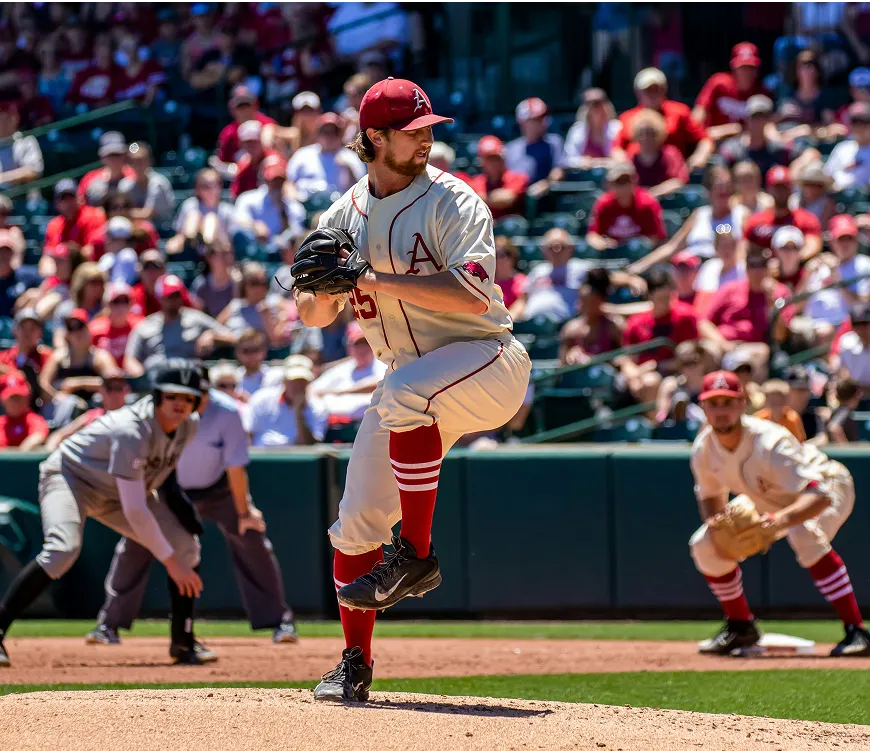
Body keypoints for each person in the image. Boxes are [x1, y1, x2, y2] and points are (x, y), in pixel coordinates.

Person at [297, 77, 531, 701]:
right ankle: (354, 663)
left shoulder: (454, 202)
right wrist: (318, 289)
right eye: (415, 130)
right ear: (373, 138)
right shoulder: (343, 214)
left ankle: (417, 555)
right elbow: (316, 317)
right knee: (353, 527)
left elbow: (474, 291)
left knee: (403, 393)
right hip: (410, 383)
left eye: (430, 128)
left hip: (486, 360)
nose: (428, 137)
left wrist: (369, 276)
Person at [0, 361, 215, 668]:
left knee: (186, 547)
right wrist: (171, 564)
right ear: (156, 396)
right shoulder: (131, 429)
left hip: (117, 490)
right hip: (71, 477)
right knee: (62, 550)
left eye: (187, 397)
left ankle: (183, 640)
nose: (180, 403)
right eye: (171, 396)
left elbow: (161, 470)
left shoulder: (189, 425)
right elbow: (136, 509)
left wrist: (179, 510)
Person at [85, 365, 298, 647]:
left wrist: (245, 511)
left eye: (199, 393)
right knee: (135, 542)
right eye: (186, 394)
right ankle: (108, 624)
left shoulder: (226, 412)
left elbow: (236, 468)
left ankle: (279, 621)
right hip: (168, 490)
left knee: (252, 536)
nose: (192, 400)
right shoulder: (162, 412)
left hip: (217, 489)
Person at [688, 370, 869, 656]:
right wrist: (719, 526)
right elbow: (711, 498)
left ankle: (857, 631)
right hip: (766, 499)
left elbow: (819, 496)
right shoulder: (704, 448)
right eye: (713, 403)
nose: (720, 410)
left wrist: (777, 523)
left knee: (802, 532)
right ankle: (740, 626)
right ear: (703, 407)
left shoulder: (770, 441)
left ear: (742, 403)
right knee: (704, 545)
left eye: (728, 402)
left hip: (828, 485)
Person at [123, 275, 237, 376]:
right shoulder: (145, 325)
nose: (173, 300)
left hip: (188, 378)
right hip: (155, 379)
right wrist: (141, 376)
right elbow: (130, 358)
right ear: (159, 298)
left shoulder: (196, 319)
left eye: (177, 295)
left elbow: (233, 337)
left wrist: (212, 335)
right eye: (169, 297)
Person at [617, 67, 713, 171]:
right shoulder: (627, 118)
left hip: (674, 174)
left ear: (664, 90)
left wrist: (699, 157)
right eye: (648, 90)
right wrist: (624, 166)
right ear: (638, 93)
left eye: (656, 89)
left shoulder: (680, 111)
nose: (652, 94)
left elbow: (704, 139)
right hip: (637, 177)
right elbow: (617, 149)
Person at [705, 248, 792, 345]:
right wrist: (723, 344)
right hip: (722, 343)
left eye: (762, 265)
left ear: (770, 268)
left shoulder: (780, 293)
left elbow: (780, 336)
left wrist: (771, 303)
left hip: (756, 348)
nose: (758, 271)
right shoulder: (730, 289)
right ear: (746, 268)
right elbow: (704, 323)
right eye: (753, 265)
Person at [800, 214, 870, 333]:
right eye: (841, 239)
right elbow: (797, 306)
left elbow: (862, 304)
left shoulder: (864, 265)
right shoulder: (820, 265)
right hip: (810, 323)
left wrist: (836, 277)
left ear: (857, 241)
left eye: (850, 238)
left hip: (846, 327)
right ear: (831, 241)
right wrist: (807, 276)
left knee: (825, 332)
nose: (845, 244)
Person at [309, 323, 388, 423]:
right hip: (333, 426)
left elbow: (380, 384)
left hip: (372, 424)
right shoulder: (342, 369)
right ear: (349, 347)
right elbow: (313, 390)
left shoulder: (384, 365)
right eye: (357, 345)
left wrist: (339, 392)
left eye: (366, 344)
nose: (362, 349)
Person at [39, 308, 117, 406]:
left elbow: (115, 383)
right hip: (65, 409)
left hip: (94, 410)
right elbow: (43, 383)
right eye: (71, 329)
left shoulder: (100, 356)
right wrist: (58, 398)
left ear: (89, 329)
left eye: (80, 326)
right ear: (67, 334)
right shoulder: (59, 356)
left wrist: (78, 383)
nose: (77, 333)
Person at [244, 357, 327, 447]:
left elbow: (310, 447)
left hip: (296, 459)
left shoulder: (318, 407)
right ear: (284, 381)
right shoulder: (261, 399)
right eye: (293, 381)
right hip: (260, 457)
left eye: (302, 381)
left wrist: (298, 414)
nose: (298, 386)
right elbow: (247, 435)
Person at [744, 166, 822, 260]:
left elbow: (813, 246)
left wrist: (787, 262)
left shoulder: (806, 220)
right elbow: (744, 250)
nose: (780, 192)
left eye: (784, 187)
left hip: (796, 272)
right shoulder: (756, 221)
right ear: (768, 190)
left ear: (791, 189)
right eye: (777, 187)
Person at [586, 162, 667, 250]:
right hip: (611, 257)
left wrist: (632, 247)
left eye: (626, 181)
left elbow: (655, 238)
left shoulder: (647, 202)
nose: (623, 187)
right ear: (609, 184)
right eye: (618, 182)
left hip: (641, 257)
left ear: (635, 181)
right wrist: (604, 244)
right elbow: (592, 236)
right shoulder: (604, 203)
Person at [286, 112, 366, 201]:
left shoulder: (350, 158)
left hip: (338, 208)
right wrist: (295, 201)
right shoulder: (302, 154)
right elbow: (289, 184)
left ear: (341, 135)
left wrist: (348, 170)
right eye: (325, 132)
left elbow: (360, 190)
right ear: (317, 134)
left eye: (334, 132)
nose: (329, 136)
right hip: (306, 208)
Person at [43, 373, 132, 453]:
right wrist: (49, 453)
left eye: (118, 388)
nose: (114, 393)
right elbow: (59, 435)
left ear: (126, 391)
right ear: (102, 391)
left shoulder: (132, 417)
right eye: (110, 388)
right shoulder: (92, 415)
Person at [232, 155, 306, 248]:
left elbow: (296, 235)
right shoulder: (248, 199)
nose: (276, 185)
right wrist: (254, 226)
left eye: (280, 181)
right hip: (256, 253)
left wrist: (283, 212)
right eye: (272, 181)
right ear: (264, 180)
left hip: (283, 256)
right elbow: (237, 222)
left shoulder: (294, 207)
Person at [693, 42, 768, 134]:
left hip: (745, 143)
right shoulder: (719, 83)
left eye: (751, 67)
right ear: (734, 68)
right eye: (742, 67)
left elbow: (767, 125)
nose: (747, 73)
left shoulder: (762, 91)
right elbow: (699, 112)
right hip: (716, 137)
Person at [718, 95, 795, 176]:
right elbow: (720, 171)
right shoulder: (733, 150)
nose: (759, 122)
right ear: (747, 120)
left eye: (763, 117)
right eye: (755, 117)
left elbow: (803, 153)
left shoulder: (778, 150)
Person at [559, 268, 622, 365]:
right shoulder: (570, 329)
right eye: (581, 300)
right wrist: (569, 357)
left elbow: (623, 359)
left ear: (600, 301)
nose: (580, 305)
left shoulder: (613, 327)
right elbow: (561, 366)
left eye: (588, 302)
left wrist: (595, 360)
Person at [216, 261, 288, 347]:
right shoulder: (235, 304)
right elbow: (216, 328)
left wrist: (266, 316)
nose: (259, 287)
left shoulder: (275, 302)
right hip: (230, 349)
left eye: (262, 282)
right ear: (244, 284)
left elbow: (275, 340)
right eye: (254, 282)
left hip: (260, 353)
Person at [166, 168, 235, 256]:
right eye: (204, 186)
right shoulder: (190, 204)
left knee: (211, 219)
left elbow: (229, 242)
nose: (209, 190)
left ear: (220, 186)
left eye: (213, 185)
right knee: (193, 216)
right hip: (191, 247)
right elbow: (179, 235)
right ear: (197, 188)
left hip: (217, 253)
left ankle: (206, 244)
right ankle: (194, 242)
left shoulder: (227, 210)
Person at [503, 97, 565, 194]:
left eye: (544, 117)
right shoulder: (510, 148)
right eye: (537, 119)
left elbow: (558, 171)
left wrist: (546, 184)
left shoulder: (554, 142)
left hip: (543, 199)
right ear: (522, 122)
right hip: (513, 197)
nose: (543, 122)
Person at [627, 108, 688, 197]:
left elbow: (679, 181)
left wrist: (653, 193)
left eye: (651, 133)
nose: (646, 138)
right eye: (642, 134)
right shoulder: (631, 157)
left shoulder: (671, 153)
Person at [465, 136, 529, 219]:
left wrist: (481, 198)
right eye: (489, 159)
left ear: (503, 159)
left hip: (509, 227)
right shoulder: (477, 181)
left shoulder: (516, 177)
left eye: (496, 158)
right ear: (482, 162)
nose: (493, 163)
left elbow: (507, 199)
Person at [562, 88, 625, 168]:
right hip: (585, 177)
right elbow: (567, 159)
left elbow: (624, 157)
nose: (594, 107)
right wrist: (581, 162)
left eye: (598, 103)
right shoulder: (577, 130)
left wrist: (598, 162)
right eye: (589, 104)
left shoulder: (617, 128)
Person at [694, 223, 747, 315]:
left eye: (731, 245)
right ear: (715, 248)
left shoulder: (744, 270)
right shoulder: (709, 266)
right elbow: (699, 297)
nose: (727, 250)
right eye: (723, 246)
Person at [119, 142, 176, 224]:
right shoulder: (124, 184)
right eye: (133, 161)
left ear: (150, 161)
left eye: (141, 160)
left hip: (161, 230)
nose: (137, 165)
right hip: (134, 230)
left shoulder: (159, 183)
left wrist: (123, 213)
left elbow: (148, 214)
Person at [43, 179, 106, 253]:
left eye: (71, 197)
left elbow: (93, 250)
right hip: (62, 263)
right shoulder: (54, 225)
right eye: (63, 198)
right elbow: (48, 254)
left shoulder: (94, 215)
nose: (68, 202)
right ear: (56, 204)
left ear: (80, 198)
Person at [89, 283, 143, 368]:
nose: (121, 307)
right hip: (105, 377)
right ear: (106, 304)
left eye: (125, 301)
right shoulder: (94, 328)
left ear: (131, 304)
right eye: (116, 302)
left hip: (133, 377)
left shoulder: (140, 326)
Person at [79, 132, 135, 208]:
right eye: (110, 155)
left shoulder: (134, 176)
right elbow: (81, 206)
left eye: (118, 154)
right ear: (102, 157)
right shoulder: (90, 178)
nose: (114, 159)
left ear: (125, 155)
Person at [824, 102, 870, 192]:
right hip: (837, 197)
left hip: (862, 198)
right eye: (855, 122)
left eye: (864, 123)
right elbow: (828, 175)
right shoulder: (843, 148)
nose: (859, 127)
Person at [190, 241, 240, 319]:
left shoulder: (239, 281)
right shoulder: (201, 285)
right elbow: (198, 315)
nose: (228, 257)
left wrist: (237, 285)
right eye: (223, 253)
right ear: (209, 258)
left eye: (230, 253)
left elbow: (240, 309)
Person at [0, 100, 43, 189]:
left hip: (22, 196)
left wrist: (3, 178)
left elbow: (33, 171)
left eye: (10, 116)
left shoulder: (26, 140)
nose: (5, 121)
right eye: (2, 117)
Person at [0, 375, 49, 450]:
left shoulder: (34, 419)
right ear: (3, 401)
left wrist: (19, 453)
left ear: (27, 397)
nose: (16, 403)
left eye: (19, 398)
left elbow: (38, 436)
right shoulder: (2, 422)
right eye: (12, 399)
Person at [0, 231, 38, 319]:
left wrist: (31, 294)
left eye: (7, 251)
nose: (3, 256)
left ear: (12, 253)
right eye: (0, 251)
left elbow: (51, 285)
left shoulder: (27, 274)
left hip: (21, 327)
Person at [836, 302, 870, 387]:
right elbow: (843, 371)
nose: (861, 329)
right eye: (857, 324)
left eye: (864, 324)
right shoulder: (846, 342)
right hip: (855, 394)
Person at [235, 328, 273, 400]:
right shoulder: (232, 379)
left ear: (264, 352)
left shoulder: (273, 377)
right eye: (246, 351)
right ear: (238, 353)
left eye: (255, 350)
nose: (251, 355)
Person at [825, 378, 862, 444]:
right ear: (856, 395)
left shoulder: (840, 410)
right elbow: (833, 427)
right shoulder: (843, 411)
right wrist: (847, 451)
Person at [493, 237, 525, 311]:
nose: (499, 259)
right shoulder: (486, 282)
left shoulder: (520, 280)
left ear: (512, 257)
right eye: (496, 255)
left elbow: (521, 304)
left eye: (503, 255)